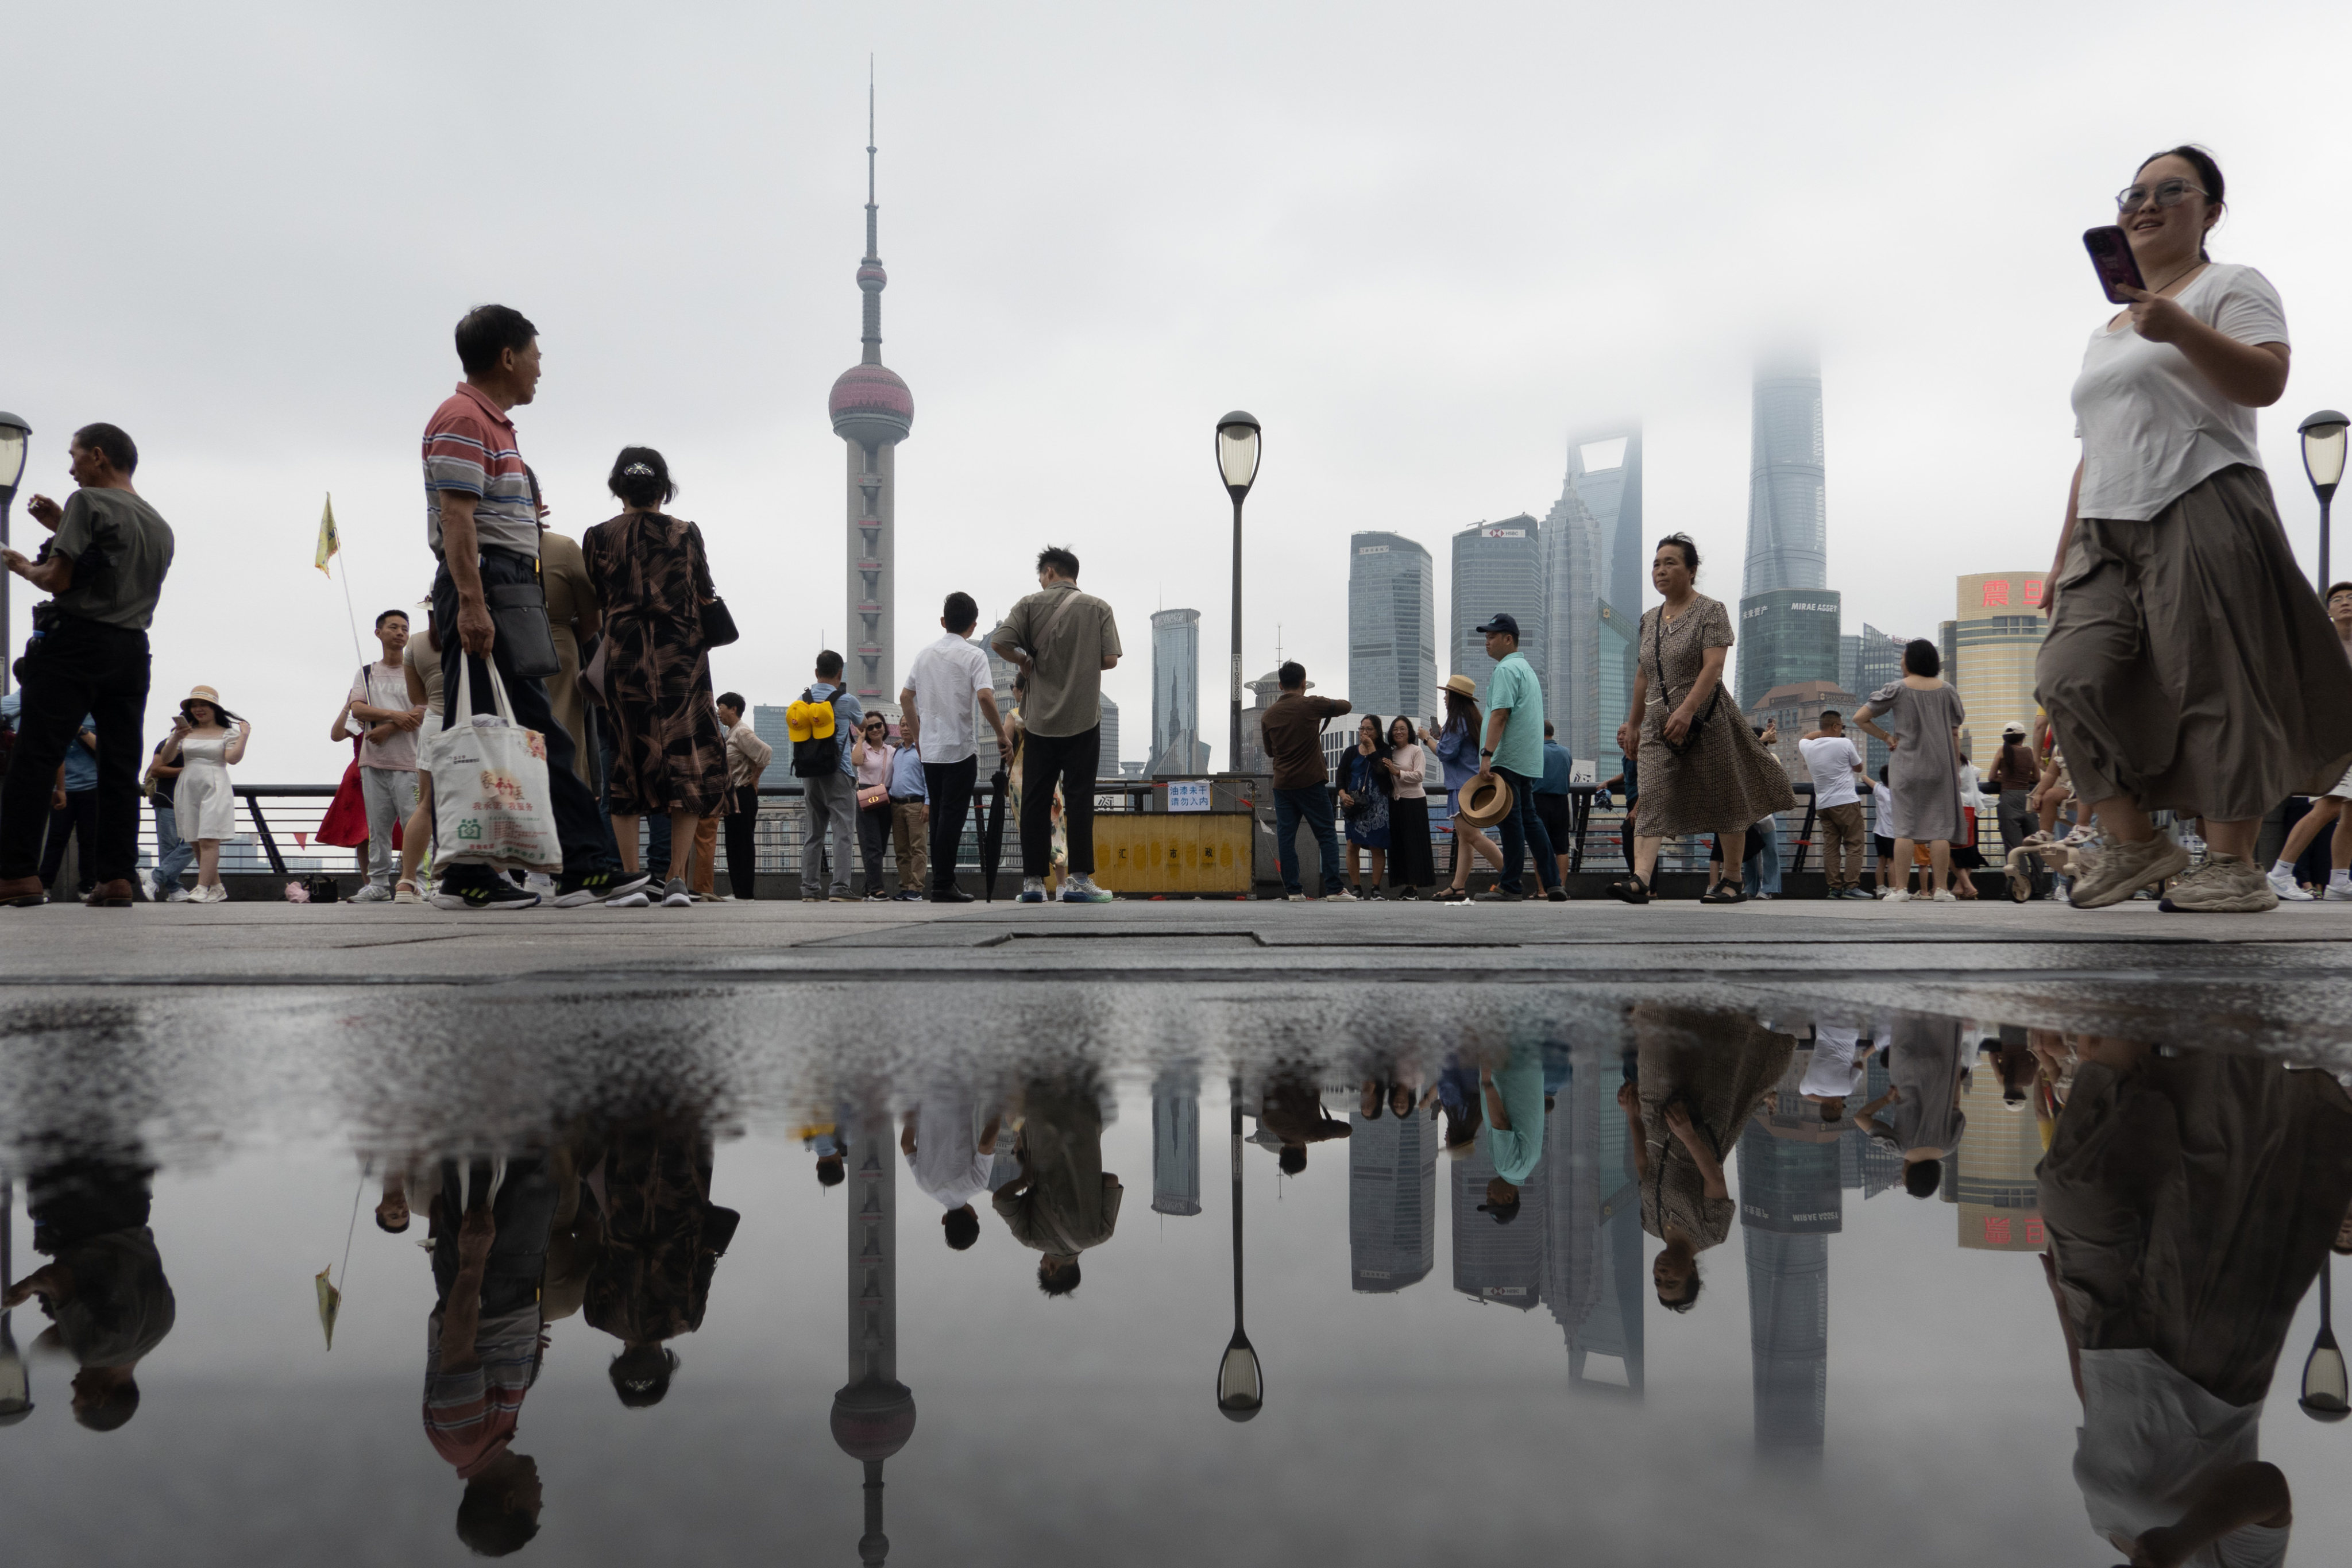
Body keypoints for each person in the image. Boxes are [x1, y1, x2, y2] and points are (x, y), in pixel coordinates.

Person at [2038, 147, 2352, 914]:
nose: (2144, 205)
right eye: (2132, 194)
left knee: (2212, 680)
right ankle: (2136, 842)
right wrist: (2060, 555)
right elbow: (2092, 448)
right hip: (2104, 523)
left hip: (2200, 495)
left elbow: (2264, 379)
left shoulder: (2228, 284)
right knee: (2064, 675)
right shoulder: (2108, 328)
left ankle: (2231, 864)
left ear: (2208, 211)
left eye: (2169, 191)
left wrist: (2175, 325)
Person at [2040, 1041, 2352, 1565]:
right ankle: (2231, 1015)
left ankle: (2124, 1031)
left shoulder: (2105, 1528)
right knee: (2220, 1151)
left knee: (2072, 1185)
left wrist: (2061, 1311)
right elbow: (2267, 1491)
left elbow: (2099, 1418)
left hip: (2100, 1335)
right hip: (2201, 1365)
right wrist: (2180, 1542)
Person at [422, 304, 646, 911]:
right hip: (488, 584)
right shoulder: (465, 417)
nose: (541, 371)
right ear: (508, 357)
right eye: (537, 357)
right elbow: (457, 517)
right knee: (511, 729)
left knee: (507, 729)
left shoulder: (491, 424)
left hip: (507, 585)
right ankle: (581, 866)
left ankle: (478, 873)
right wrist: (472, 604)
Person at [0, 422, 175, 910]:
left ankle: (17, 875)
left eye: (75, 456)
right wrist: (61, 526)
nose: (71, 467)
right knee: (119, 766)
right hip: (132, 651)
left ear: (98, 455)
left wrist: (20, 565)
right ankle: (116, 878)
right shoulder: (159, 523)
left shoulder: (87, 503)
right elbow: (112, 565)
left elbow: (57, 579)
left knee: (35, 755)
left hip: (74, 645)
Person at [579, 449, 731, 913]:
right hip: (681, 657)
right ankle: (675, 880)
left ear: (617, 488)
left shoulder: (598, 537)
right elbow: (703, 591)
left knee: (626, 760)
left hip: (626, 657)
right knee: (684, 761)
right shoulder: (686, 534)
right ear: (664, 488)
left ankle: (631, 880)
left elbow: (599, 598)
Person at [1609, 535, 1794, 905]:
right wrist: (1633, 723)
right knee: (1651, 794)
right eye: (1657, 563)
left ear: (1692, 571)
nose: (1660, 570)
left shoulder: (1711, 610)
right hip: (1658, 724)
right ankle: (1641, 879)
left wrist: (1688, 708)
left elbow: (1715, 666)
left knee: (1725, 796)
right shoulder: (1649, 620)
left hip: (1708, 720)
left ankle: (1732, 879)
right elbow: (1643, 676)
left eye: (1671, 563)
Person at [419, 1155, 557, 1557]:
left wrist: (473, 1258)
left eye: (537, 1503)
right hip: (508, 1277)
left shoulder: (464, 1439)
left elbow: (458, 1345)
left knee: (488, 1146)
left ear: (510, 1502)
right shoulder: (488, 1440)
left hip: (490, 1273)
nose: (541, 1492)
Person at [1617, 1004, 1795, 1308]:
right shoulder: (1712, 1233)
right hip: (1699, 1117)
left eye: (1658, 1282)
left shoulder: (1650, 1225)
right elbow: (1714, 1177)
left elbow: (1644, 1168)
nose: (1661, 1275)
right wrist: (1688, 1134)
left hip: (1657, 1113)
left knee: (1658, 1027)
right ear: (1692, 1273)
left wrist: (1633, 1119)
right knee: (1714, 1039)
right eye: (1671, 1281)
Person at [1, 1153, 177, 1432]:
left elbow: (104, 1290)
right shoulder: (95, 1351)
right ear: (100, 1397)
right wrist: (23, 1291)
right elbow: (54, 1278)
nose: (73, 1387)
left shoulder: (160, 1327)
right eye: (77, 1399)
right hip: (77, 1207)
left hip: (130, 1197)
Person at [989, 546, 1122, 904]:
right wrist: (1079, 661)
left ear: (1049, 572)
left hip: (1040, 721)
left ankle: (1033, 883)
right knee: (1079, 800)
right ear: (1072, 573)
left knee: (1034, 800)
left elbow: (1000, 642)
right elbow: (1110, 659)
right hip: (1083, 718)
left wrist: (1026, 661)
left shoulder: (1030, 604)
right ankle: (1079, 880)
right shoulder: (1099, 607)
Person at [581, 1119, 740, 1409]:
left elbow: (705, 1258)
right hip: (626, 1203)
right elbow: (594, 1256)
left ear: (665, 1367)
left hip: (680, 1203)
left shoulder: (687, 1319)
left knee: (682, 1126)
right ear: (620, 1367)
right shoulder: (599, 1317)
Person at [900, 592, 1011, 904]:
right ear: (974, 626)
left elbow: (905, 697)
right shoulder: (975, 656)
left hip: (930, 751)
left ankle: (941, 882)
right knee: (952, 817)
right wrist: (1002, 735)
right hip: (960, 749)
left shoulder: (924, 655)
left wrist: (919, 738)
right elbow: (986, 698)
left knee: (938, 816)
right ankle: (944, 884)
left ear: (943, 621)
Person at [1851, 640, 1967, 904]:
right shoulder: (1948, 690)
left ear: (1910, 660)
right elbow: (1954, 731)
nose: (1901, 661)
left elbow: (1860, 718)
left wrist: (1887, 737)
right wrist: (1955, 770)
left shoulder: (1898, 689)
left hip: (1905, 766)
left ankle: (1901, 889)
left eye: (1903, 657)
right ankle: (1941, 890)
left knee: (1903, 829)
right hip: (1940, 767)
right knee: (1940, 830)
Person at [1462, 612, 1564, 903]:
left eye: (1492, 636)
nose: (1487, 642)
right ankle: (1554, 883)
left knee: (1511, 820)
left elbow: (1500, 714)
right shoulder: (1527, 670)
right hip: (1527, 759)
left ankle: (1510, 886)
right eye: (1486, 637)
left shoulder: (1506, 671)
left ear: (1509, 639)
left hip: (1506, 758)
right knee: (1530, 819)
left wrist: (1487, 755)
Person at [993, 1071, 1122, 1295]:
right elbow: (1000, 1200)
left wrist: (1086, 1179)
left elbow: (1111, 1181)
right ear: (1051, 1270)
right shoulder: (1031, 1237)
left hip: (1085, 1119)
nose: (1042, 1262)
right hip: (1041, 1121)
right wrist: (1025, 1179)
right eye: (1042, 1266)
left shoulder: (1103, 1233)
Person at [2264, 581, 2352, 902]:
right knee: (2327, 807)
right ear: (2328, 611)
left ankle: (2339, 882)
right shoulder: (2322, 646)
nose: (2345, 603)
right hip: (2334, 739)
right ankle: (2280, 873)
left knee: (2351, 812)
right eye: (2338, 599)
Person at [343, 609, 426, 902]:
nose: (400, 633)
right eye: (393, 627)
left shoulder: (416, 670)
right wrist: (394, 715)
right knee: (377, 827)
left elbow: (424, 710)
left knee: (414, 823)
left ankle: (418, 880)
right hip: (373, 761)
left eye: (405, 628)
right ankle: (378, 883)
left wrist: (389, 727)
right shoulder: (367, 673)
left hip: (411, 760)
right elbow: (358, 709)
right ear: (378, 633)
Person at [1257, 661, 1353, 902]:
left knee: (1286, 839)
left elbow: (1270, 752)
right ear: (1303, 683)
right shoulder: (1311, 705)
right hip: (1310, 782)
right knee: (1326, 834)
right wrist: (1322, 703)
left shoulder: (1268, 715)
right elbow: (1346, 706)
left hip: (1283, 785)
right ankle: (1334, 889)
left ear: (1280, 685)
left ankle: (1294, 891)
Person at [1853, 1014, 1968, 1197]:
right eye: (1905, 1178)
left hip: (1943, 1064)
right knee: (1906, 1005)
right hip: (1906, 1068)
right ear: (1910, 1175)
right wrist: (1887, 1099)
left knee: (1941, 1007)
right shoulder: (1900, 1148)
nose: (1901, 1174)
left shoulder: (1949, 1145)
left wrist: (1955, 1066)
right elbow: (1860, 1118)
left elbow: (1955, 1102)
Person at [155, 687, 246, 903]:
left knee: (209, 838)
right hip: (188, 784)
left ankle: (201, 887)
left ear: (214, 707)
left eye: (203, 705)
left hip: (214, 783)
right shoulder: (185, 732)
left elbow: (232, 759)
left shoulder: (228, 732)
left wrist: (244, 736)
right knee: (195, 840)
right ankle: (217, 888)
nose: (198, 709)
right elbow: (166, 759)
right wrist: (176, 738)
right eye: (194, 706)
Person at [792, 651, 863, 902]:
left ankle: (809, 890)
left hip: (810, 775)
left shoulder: (803, 699)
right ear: (840, 673)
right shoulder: (847, 701)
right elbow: (863, 725)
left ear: (816, 673)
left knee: (814, 834)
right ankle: (839, 888)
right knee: (843, 832)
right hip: (839, 773)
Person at [1427, 674, 1505, 898]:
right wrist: (1442, 736)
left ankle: (1510, 876)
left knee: (1471, 836)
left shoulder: (1456, 721)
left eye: (1447, 693)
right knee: (1465, 837)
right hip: (1474, 786)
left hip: (1463, 788)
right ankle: (1458, 885)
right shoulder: (1471, 720)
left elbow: (1445, 753)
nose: (1444, 697)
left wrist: (1427, 739)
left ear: (1455, 698)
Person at [903, 1081, 1002, 1251]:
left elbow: (986, 1145)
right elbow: (906, 1145)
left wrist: (1000, 1109)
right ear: (944, 1221)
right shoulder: (924, 1185)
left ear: (974, 1217)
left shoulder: (976, 1185)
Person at [395, 611, 445, 903]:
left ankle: (407, 881)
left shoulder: (416, 643)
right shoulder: (477, 632)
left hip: (435, 722)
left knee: (426, 805)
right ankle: (446, 877)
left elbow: (418, 697)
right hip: (472, 724)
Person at [1798, 710, 1872, 899]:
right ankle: (1851, 887)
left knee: (1831, 848)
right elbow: (1859, 768)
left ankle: (1834, 889)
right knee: (1854, 844)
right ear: (1836, 726)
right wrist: (1834, 733)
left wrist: (1823, 732)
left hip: (1823, 804)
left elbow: (1807, 737)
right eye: (1840, 726)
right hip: (1846, 802)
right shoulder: (1845, 743)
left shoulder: (1807, 747)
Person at [1477, 1042, 1545, 1225]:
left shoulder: (1529, 1165)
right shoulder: (1506, 1167)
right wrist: (1486, 1081)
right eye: (1492, 1200)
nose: (1487, 1195)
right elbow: (1500, 1123)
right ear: (1508, 1197)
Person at [36, 710, 98, 898]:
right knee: (56, 838)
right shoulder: (56, 714)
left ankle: (88, 887)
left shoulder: (95, 717)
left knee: (89, 839)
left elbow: (105, 749)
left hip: (93, 785)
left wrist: (79, 729)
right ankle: (44, 886)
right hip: (61, 788)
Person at [715, 693, 770, 902]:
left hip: (743, 793)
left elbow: (766, 752)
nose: (718, 712)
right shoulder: (732, 733)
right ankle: (738, 890)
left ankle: (745, 892)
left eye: (721, 708)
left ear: (734, 709)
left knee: (743, 844)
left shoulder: (742, 732)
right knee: (733, 843)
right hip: (733, 794)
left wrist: (755, 778)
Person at [1335, 713, 1392, 898]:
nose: (1364, 732)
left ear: (1377, 732)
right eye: (1362, 729)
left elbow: (1382, 772)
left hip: (1377, 805)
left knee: (1377, 846)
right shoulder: (1351, 752)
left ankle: (1376, 888)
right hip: (1354, 804)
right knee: (1352, 845)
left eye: (1369, 729)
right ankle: (1357, 887)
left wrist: (1372, 749)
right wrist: (1343, 795)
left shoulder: (1384, 751)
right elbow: (1340, 776)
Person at [1384, 716, 1434, 897]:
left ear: (1410, 732)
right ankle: (1405, 884)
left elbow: (1420, 776)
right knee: (1399, 846)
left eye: (1403, 729)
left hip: (1414, 803)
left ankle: (1413, 887)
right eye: (1395, 729)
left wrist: (1397, 772)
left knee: (1414, 846)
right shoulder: (1390, 753)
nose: (1398, 732)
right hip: (1395, 803)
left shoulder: (1416, 751)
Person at [851, 710, 898, 901]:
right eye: (870, 727)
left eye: (879, 725)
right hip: (867, 795)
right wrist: (861, 739)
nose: (875, 730)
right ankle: (877, 890)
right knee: (872, 845)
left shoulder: (893, 751)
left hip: (886, 797)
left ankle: (868, 888)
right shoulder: (860, 748)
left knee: (881, 845)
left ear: (885, 727)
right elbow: (856, 762)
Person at [140, 737, 195, 901]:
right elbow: (156, 770)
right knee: (169, 847)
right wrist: (186, 771)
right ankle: (174, 890)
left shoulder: (203, 742)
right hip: (168, 800)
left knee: (195, 841)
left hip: (192, 801)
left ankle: (155, 876)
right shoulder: (169, 743)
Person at [1988, 718, 2041, 875]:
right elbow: (2036, 779)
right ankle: (2038, 887)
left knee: (2014, 847)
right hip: (2027, 798)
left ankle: (2021, 884)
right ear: (2023, 737)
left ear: (2005, 738)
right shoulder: (2029, 752)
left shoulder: (2002, 751)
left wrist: (2005, 779)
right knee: (2034, 846)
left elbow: (1991, 778)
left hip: (2008, 799)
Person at [887, 723, 929, 902]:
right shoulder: (896, 751)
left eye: (909, 724)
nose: (905, 728)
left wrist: (927, 804)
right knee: (901, 850)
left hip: (916, 805)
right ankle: (905, 886)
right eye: (903, 725)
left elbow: (928, 780)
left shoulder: (921, 751)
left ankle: (916, 888)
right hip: (896, 805)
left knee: (918, 848)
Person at [1536, 721, 1575, 889]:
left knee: (1539, 845)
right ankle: (1562, 887)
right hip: (1561, 801)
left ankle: (1543, 890)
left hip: (1538, 801)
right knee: (1562, 848)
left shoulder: (1535, 751)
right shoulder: (1566, 752)